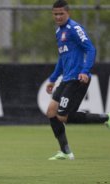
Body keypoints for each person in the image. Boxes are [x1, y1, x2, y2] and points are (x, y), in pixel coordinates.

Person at [46, 0, 110, 161]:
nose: (58, 17)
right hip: (66, 79)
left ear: (68, 13)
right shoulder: (58, 32)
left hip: (77, 78)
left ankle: (106, 118)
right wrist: (53, 79)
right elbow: (62, 58)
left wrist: (85, 71)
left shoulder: (75, 28)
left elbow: (91, 49)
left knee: (62, 116)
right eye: (56, 14)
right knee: (51, 112)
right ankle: (65, 152)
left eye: (61, 13)